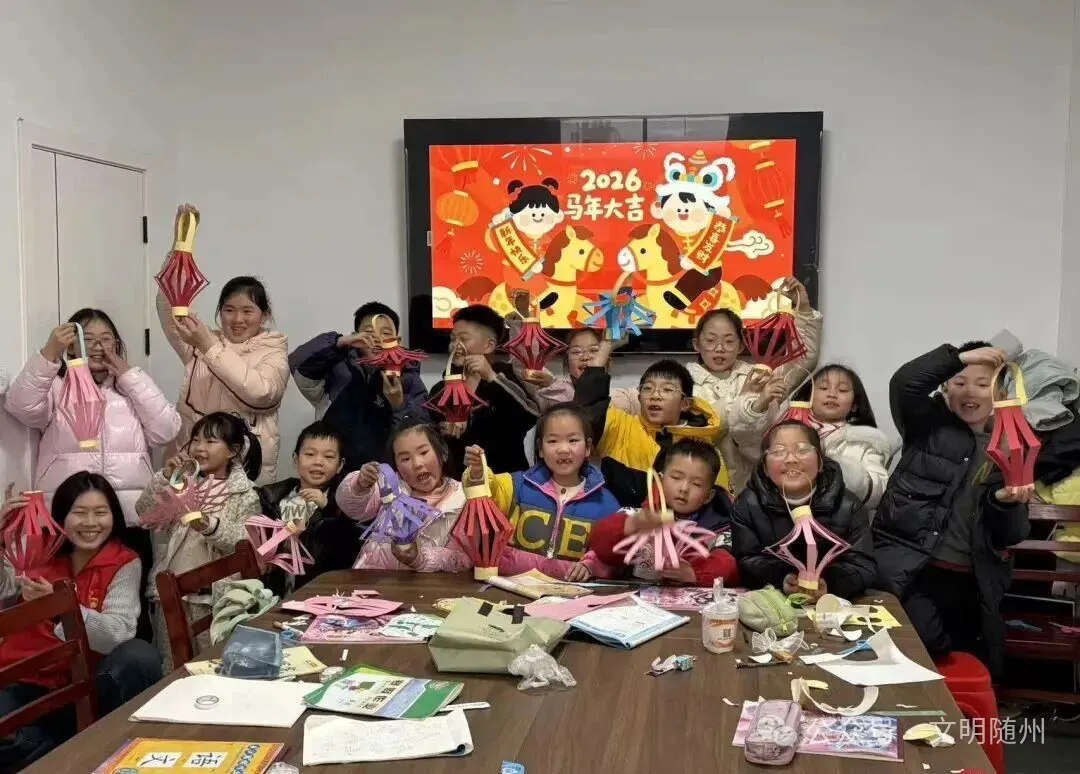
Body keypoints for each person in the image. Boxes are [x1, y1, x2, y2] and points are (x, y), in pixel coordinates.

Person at [874, 343, 1030, 675]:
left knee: (965, 665)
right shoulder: (926, 425)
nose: (970, 391)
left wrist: (1006, 503)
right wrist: (958, 357)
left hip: (974, 581)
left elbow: (1012, 534)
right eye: (960, 382)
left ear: (1000, 395)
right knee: (927, 645)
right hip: (914, 571)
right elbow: (904, 384)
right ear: (945, 389)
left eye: (982, 383)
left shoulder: (1010, 446)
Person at [0, 474, 162, 773]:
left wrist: (61, 610)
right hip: (26, 681)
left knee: (139, 657)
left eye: (100, 512)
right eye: (79, 512)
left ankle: (65, 747)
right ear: (62, 515)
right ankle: (69, 747)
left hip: (86, 683)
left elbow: (118, 632)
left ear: (114, 515)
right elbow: (4, 591)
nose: (90, 523)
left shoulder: (124, 561)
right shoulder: (38, 550)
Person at [5, 310, 181, 523]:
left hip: (129, 514)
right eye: (87, 339)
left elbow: (166, 431)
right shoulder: (57, 387)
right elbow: (20, 406)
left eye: (106, 339)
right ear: (71, 346)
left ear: (116, 345)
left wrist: (129, 376)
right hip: (70, 513)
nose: (98, 346)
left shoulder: (131, 388)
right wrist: (48, 354)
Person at [157, 208, 288, 484]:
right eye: (229, 310)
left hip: (247, 470)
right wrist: (181, 247)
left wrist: (209, 346)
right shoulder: (200, 339)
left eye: (248, 311)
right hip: (196, 463)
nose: (237, 319)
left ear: (264, 316)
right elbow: (170, 307)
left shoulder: (273, 350)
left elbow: (261, 394)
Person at [135, 412, 263, 668]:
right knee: (173, 667)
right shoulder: (182, 483)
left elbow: (247, 545)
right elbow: (145, 514)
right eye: (195, 440)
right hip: (174, 596)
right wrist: (164, 477)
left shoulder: (245, 493)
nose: (200, 448)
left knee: (214, 665)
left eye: (210, 441)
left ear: (232, 451)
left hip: (217, 599)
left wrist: (210, 526)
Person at [688, 278, 823, 494]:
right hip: (700, 489)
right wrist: (748, 400)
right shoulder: (684, 383)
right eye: (711, 340)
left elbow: (802, 360)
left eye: (729, 341)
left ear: (741, 345)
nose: (720, 348)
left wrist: (804, 309)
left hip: (755, 490)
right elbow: (708, 426)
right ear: (697, 343)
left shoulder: (760, 375)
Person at [462, 403, 621, 581]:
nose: (563, 449)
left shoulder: (605, 502)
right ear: (540, 448)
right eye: (552, 441)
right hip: (509, 583)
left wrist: (590, 565)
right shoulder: (517, 485)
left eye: (573, 440)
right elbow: (485, 494)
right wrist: (477, 471)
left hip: (570, 590)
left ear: (588, 447)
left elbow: (613, 552)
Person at [731, 420, 877, 600]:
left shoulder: (849, 506)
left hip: (832, 605)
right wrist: (781, 578)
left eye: (802, 450)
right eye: (778, 452)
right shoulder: (748, 505)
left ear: (820, 462)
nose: (791, 459)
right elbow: (746, 560)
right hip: (775, 601)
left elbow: (863, 565)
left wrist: (830, 584)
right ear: (765, 467)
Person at [289, 301, 429, 471]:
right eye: (369, 332)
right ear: (355, 336)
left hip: (384, 475)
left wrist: (398, 405)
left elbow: (421, 435)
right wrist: (339, 342)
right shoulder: (337, 369)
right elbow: (298, 364)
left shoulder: (408, 378)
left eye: (385, 333)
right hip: (334, 473)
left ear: (397, 341)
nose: (377, 338)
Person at [576, 336, 729, 490]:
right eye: (648, 388)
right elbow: (585, 413)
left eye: (667, 389)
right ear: (639, 398)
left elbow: (718, 497)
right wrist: (606, 347)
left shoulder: (702, 447)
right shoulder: (619, 427)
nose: (655, 395)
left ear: (685, 404)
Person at [588, 439, 738, 587]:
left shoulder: (719, 530)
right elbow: (600, 544)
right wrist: (630, 526)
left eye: (696, 484)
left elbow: (729, 567)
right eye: (676, 478)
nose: (684, 488)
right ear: (660, 480)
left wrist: (695, 574)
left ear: (708, 496)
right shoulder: (635, 516)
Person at [337, 420, 469, 572]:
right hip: (370, 577)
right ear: (396, 465)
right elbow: (352, 508)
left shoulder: (463, 499)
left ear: (443, 453)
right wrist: (360, 485)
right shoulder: (388, 484)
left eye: (423, 452)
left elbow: (463, 559)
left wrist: (419, 559)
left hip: (423, 584)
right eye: (405, 459)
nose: (417, 464)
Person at [429, 304, 539, 474]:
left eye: (464, 339)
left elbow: (530, 418)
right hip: (459, 480)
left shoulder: (510, 378)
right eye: (452, 339)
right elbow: (432, 439)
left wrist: (491, 377)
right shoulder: (441, 389)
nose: (455, 345)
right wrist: (441, 430)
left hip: (507, 479)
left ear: (489, 345)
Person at [257, 422, 358, 594]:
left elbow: (347, 547)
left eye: (328, 457)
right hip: (274, 593)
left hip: (321, 594)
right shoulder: (272, 497)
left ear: (340, 465)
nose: (318, 462)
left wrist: (328, 507)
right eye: (310, 454)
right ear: (296, 459)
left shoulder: (344, 503)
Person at [791, 364, 895, 509]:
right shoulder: (788, 428)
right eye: (824, 388)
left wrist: (843, 469)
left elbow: (878, 494)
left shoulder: (866, 443)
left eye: (842, 390)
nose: (832, 394)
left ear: (854, 405)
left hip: (836, 518)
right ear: (809, 396)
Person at [524, 327, 638, 412]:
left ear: (608, 361)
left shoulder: (624, 398)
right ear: (567, 362)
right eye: (576, 352)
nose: (585, 357)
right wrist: (524, 319)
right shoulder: (549, 393)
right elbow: (528, 357)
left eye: (594, 350)